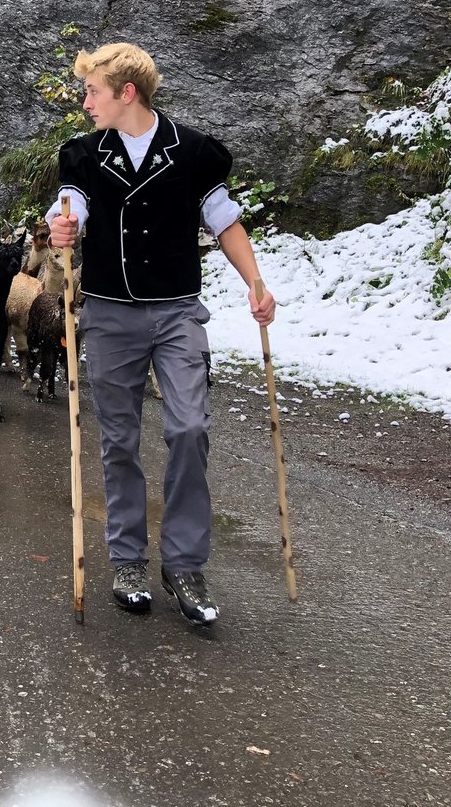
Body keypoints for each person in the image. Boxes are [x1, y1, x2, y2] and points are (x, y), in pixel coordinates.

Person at [46, 42, 275, 626]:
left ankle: (185, 564)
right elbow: (69, 208)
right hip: (110, 314)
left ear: (127, 93)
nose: (85, 101)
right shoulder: (83, 156)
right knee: (118, 440)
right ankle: (127, 558)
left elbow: (224, 220)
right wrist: (62, 230)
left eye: (92, 91)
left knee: (190, 427)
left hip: (176, 313)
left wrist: (256, 282)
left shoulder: (192, 151)